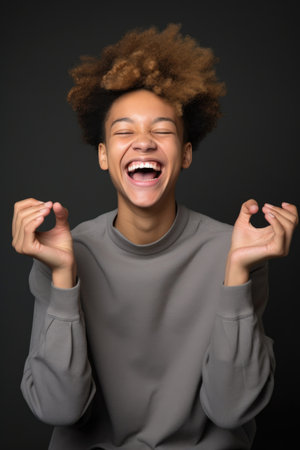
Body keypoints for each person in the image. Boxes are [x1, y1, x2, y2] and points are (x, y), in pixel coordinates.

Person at [12, 24, 298, 450]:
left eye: (162, 130)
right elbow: (60, 410)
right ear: (104, 155)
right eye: (124, 131)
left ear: (184, 153)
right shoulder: (66, 253)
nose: (143, 143)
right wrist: (64, 277)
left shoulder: (234, 250)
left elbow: (233, 409)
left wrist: (238, 270)